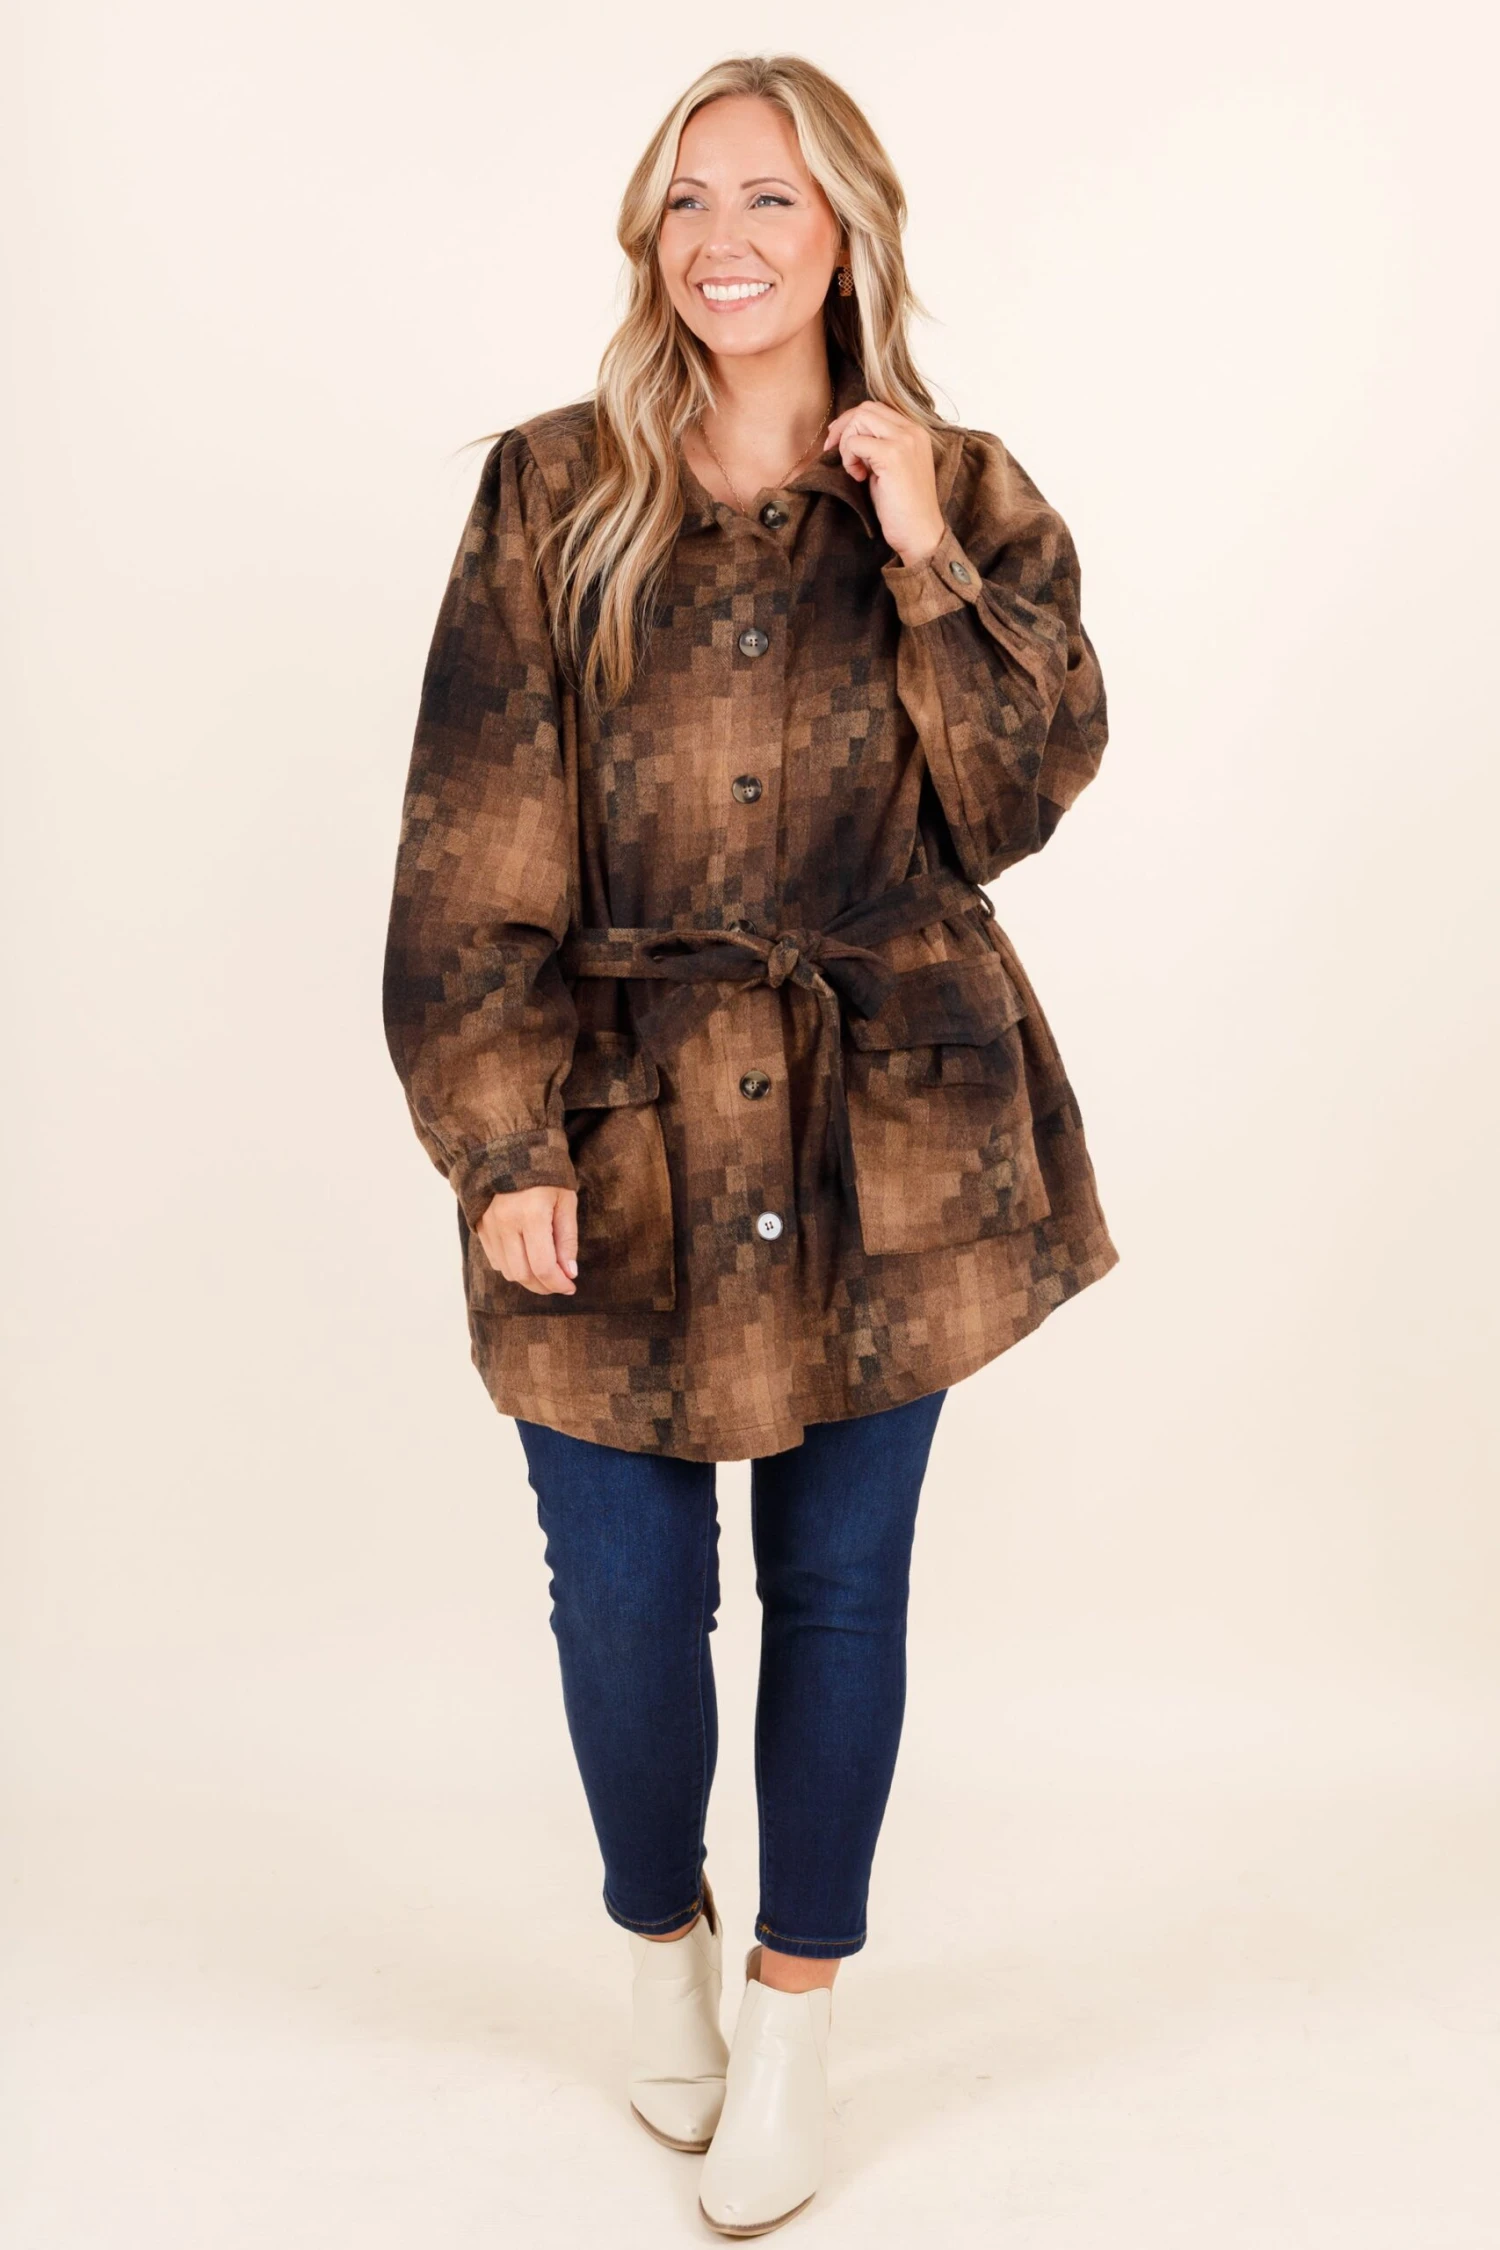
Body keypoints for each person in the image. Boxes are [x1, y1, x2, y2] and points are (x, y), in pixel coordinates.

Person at [381, 51, 1118, 2238]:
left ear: (849, 233)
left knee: (840, 1587)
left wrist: (919, 552)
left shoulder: (965, 493)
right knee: (624, 1599)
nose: (725, 237)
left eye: (770, 198)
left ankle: (798, 2013)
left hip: (891, 1125)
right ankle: (661, 1941)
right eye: (689, 199)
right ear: (650, 236)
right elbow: (468, 845)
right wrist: (503, 1140)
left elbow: (1018, 795)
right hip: (616, 1129)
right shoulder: (550, 493)